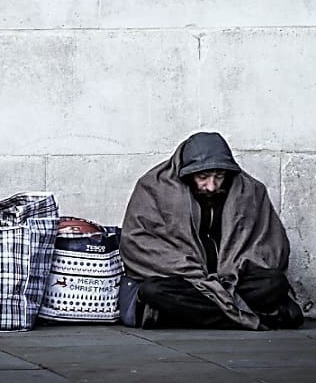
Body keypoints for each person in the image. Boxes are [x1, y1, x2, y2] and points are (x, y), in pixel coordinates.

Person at [119, 132, 303, 330]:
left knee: (274, 284)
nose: (211, 186)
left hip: (233, 282)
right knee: (153, 291)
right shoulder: (153, 189)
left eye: (219, 177)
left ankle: (200, 317)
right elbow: (137, 244)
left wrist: (234, 268)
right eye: (203, 177)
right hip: (185, 281)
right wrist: (191, 270)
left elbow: (271, 245)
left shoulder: (250, 191)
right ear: (186, 173)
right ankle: (248, 319)